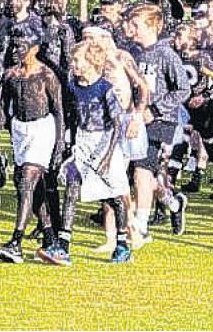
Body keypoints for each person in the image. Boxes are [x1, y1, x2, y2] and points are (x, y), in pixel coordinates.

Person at [0, 24, 66, 264]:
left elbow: (58, 111)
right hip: (20, 130)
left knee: (26, 182)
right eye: (13, 46)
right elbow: (3, 109)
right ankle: (49, 236)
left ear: (34, 48)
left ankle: (16, 242)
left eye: (20, 46)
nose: (14, 50)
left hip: (42, 129)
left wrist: (59, 143)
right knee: (30, 189)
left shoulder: (47, 75)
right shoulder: (11, 75)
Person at [60, 39, 134, 263]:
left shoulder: (105, 89)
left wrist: (108, 156)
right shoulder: (73, 86)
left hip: (105, 142)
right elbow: (72, 117)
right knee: (72, 187)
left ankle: (122, 244)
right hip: (83, 141)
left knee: (113, 195)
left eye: (77, 59)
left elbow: (117, 124)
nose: (73, 64)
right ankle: (63, 244)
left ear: (92, 61)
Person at [124, 3, 193, 239]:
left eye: (136, 24)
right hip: (135, 117)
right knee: (142, 173)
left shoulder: (165, 54)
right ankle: (172, 203)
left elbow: (183, 89)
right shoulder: (132, 52)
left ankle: (141, 225)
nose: (130, 28)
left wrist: (155, 109)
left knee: (142, 171)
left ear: (152, 26)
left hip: (159, 120)